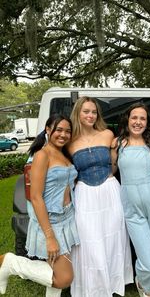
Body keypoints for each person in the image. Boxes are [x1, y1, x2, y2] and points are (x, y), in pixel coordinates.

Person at [0, 114, 80, 297]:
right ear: (48, 130)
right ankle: (11, 263)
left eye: (68, 131)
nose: (63, 134)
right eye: (59, 130)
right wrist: (50, 236)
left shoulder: (63, 153)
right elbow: (36, 197)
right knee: (64, 278)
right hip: (51, 223)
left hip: (67, 218)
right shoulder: (42, 155)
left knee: (55, 270)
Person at [68, 96, 133, 297]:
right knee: (89, 240)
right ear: (78, 113)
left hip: (110, 190)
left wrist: (114, 152)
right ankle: (94, 287)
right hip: (84, 194)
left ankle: (114, 282)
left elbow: (113, 166)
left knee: (114, 237)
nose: (90, 115)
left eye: (94, 112)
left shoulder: (107, 134)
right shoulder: (69, 141)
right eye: (86, 111)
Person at [111, 103, 150, 297]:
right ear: (127, 120)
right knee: (149, 260)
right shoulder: (117, 143)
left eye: (142, 118)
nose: (138, 122)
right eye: (134, 118)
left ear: (147, 122)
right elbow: (111, 171)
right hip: (132, 207)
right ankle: (142, 279)